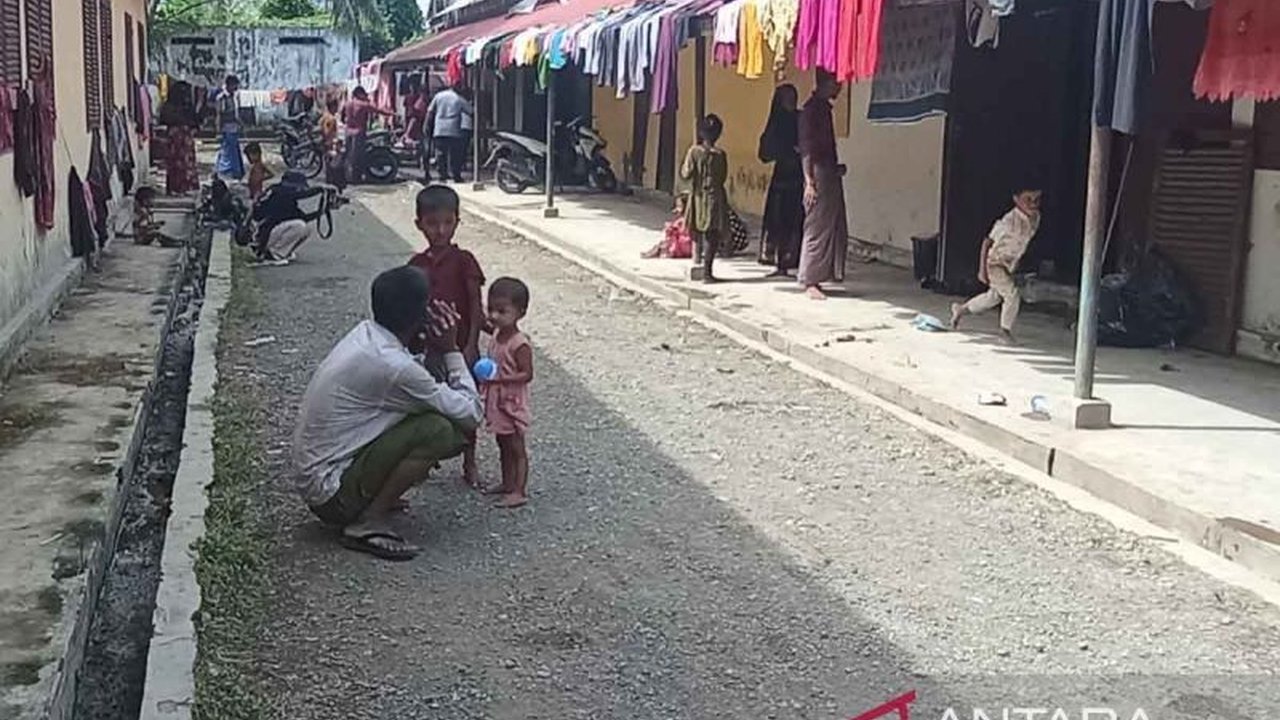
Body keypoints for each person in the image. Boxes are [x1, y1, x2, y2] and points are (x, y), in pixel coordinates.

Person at [292, 266, 483, 560]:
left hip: (319, 479)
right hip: (332, 495)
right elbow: (471, 413)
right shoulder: (394, 366)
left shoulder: (368, 335)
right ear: (420, 315)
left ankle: (373, 496)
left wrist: (431, 348)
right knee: (441, 431)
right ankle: (367, 523)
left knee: (428, 415)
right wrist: (451, 350)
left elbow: (423, 382)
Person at [407, 185, 486, 487]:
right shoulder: (416, 265)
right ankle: (426, 458)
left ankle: (470, 461)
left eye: (448, 223)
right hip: (429, 348)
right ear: (419, 224)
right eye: (432, 223)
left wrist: (471, 345)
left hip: (461, 345)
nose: (441, 231)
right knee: (430, 400)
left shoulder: (465, 260)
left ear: (457, 222)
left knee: (467, 403)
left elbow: (475, 305)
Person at [950, 186, 1043, 342]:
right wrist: (982, 270)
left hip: (1010, 264)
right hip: (995, 263)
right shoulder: (1008, 221)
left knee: (993, 297)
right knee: (1012, 295)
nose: (1033, 204)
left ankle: (961, 309)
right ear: (1016, 199)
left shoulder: (1036, 217)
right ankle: (1005, 330)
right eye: (1028, 199)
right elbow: (987, 242)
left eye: (1037, 200)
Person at [479, 277, 534, 509]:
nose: (494, 316)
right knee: (502, 443)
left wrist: (500, 379)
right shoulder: (497, 335)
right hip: (497, 400)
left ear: (520, 313)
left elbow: (527, 374)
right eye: (491, 309)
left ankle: (519, 490)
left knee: (516, 447)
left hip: (511, 402)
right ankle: (507, 482)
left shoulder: (519, 343)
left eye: (502, 311)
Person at [798, 70, 849, 300]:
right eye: (836, 83)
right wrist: (809, 181)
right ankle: (810, 280)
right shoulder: (811, 111)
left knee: (832, 225)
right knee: (817, 227)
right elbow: (807, 148)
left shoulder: (824, 109)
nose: (840, 88)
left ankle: (822, 275)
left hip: (828, 171)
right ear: (826, 83)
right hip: (818, 174)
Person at [758, 84, 804, 277]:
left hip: (799, 177)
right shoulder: (776, 122)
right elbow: (764, 154)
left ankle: (792, 261)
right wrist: (786, 150)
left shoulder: (800, 119)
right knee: (779, 221)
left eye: (793, 97)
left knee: (795, 220)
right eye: (787, 98)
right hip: (782, 178)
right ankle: (779, 262)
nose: (791, 101)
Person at [681, 114, 731, 283]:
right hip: (716, 197)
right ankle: (708, 272)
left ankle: (700, 265)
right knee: (713, 235)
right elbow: (723, 177)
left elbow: (686, 174)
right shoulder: (721, 155)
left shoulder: (694, 152)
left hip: (698, 197)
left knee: (697, 231)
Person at [251, 170, 326, 264]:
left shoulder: (280, 192)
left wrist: (322, 211)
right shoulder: (281, 195)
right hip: (262, 235)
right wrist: (319, 190)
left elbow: (302, 217)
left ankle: (284, 252)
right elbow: (302, 201)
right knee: (299, 226)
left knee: (306, 228)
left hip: (270, 232)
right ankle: (272, 254)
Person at [343, 87, 394, 185]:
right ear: (360, 94)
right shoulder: (363, 105)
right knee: (358, 157)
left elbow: (343, 117)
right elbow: (378, 110)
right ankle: (356, 178)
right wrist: (391, 113)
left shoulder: (347, 104)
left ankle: (348, 177)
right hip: (359, 132)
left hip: (348, 131)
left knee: (349, 156)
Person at [158, 81, 200, 195]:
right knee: (179, 163)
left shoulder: (174, 105)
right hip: (179, 138)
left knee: (180, 163)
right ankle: (181, 186)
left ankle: (181, 186)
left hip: (180, 137)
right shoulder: (173, 106)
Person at [427, 83, 473, 183]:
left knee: (440, 153)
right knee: (455, 155)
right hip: (453, 130)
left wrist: (427, 126)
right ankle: (456, 175)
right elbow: (471, 111)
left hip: (439, 129)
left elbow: (430, 112)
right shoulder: (458, 99)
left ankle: (442, 175)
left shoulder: (438, 96)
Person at [215, 74, 244, 180]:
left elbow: (236, 113)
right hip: (226, 127)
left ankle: (235, 171)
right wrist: (218, 130)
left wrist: (240, 123)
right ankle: (225, 171)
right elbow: (219, 114)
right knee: (227, 150)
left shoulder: (234, 97)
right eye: (234, 85)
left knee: (233, 150)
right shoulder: (222, 98)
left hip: (234, 127)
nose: (235, 88)